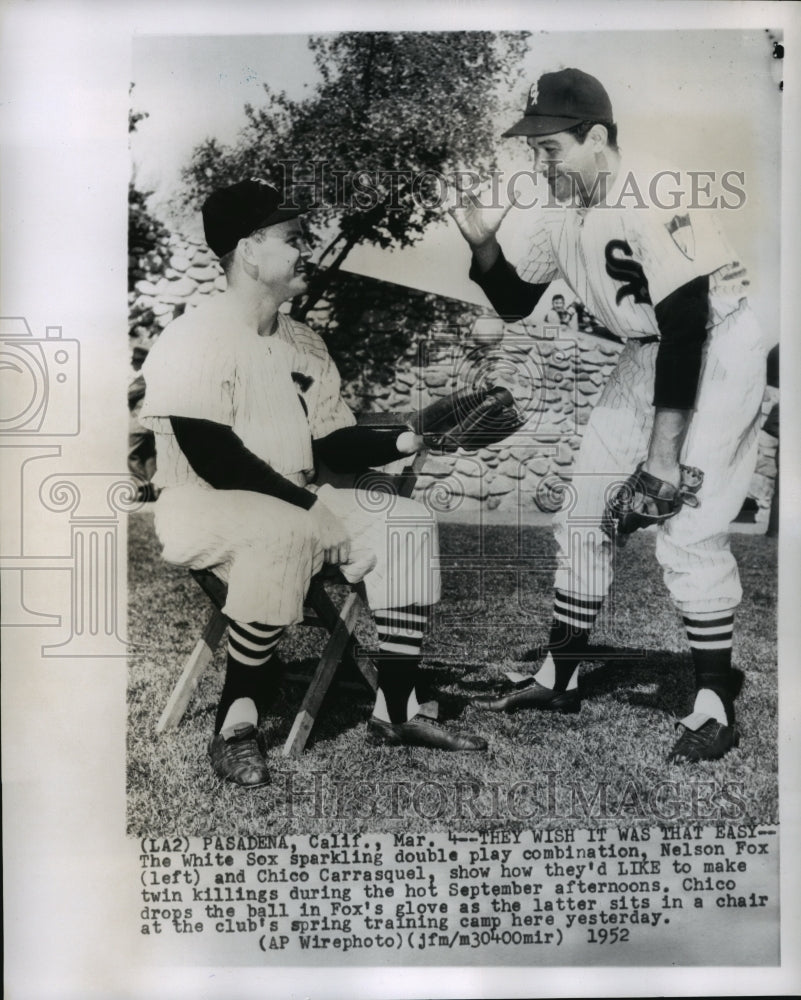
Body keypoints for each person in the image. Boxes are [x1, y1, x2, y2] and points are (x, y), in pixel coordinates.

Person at [449, 68, 769, 762]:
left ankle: (712, 700)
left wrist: (660, 457)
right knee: (584, 509)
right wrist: (482, 249)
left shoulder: (654, 190)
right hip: (646, 350)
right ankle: (560, 671)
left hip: (717, 343)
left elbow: (686, 322)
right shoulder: (560, 208)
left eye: (550, 146)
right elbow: (511, 301)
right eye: (531, 148)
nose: (539, 160)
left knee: (684, 524)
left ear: (596, 138)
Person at [140, 179, 485, 787]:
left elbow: (330, 441)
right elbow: (212, 455)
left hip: (293, 496)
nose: (308, 249)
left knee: (405, 521)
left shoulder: (305, 340)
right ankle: (237, 721)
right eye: (293, 238)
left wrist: (409, 436)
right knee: (284, 530)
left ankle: (396, 708)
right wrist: (309, 508)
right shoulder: (193, 336)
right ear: (249, 251)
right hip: (203, 502)